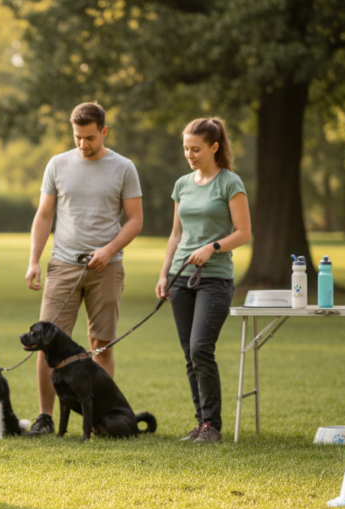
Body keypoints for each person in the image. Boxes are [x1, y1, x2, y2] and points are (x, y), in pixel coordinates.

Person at [24, 102, 144, 436]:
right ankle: (45, 417)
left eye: (89, 137)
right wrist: (34, 259)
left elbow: (135, 220)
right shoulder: (57, 164)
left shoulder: (123, 168)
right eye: (77, 137)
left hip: (107, 268)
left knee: (100, 343)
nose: (83, 144)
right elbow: (44, 216)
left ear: (103, 131)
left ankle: (102, 421)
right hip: (63, 265)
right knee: (44, 342)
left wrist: (108, 250)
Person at [155, 118, 252, 443]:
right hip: (180, 279)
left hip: (215, 280)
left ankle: (212, 425)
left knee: (200, 348)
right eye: (186, 149)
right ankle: (201, 424)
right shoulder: (182, 184)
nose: (190, 154)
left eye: (195, 149)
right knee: (189, 353)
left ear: (214, 147)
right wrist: (164, 274)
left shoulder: (230, 183)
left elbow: (243, 233)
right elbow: (175, 234)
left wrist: (212, 248)